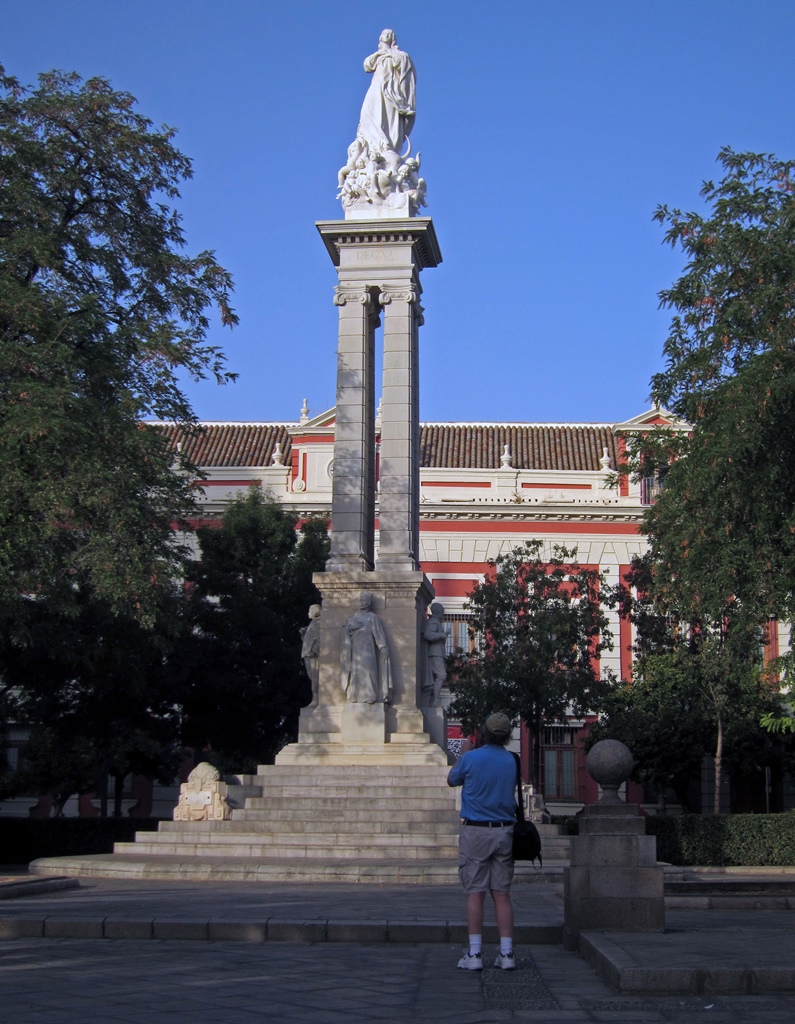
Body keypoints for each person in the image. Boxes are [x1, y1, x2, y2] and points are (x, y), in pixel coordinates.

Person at [447, 712, 518, 971]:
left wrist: (464, 753)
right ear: (507, 735)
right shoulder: (512, 760)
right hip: (504, 832)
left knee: (475, 893)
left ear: (483, 733)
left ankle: (475, 954)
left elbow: (452, 779)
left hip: (476, 831)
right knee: (502, 894)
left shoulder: (472, 758)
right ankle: (507, 953)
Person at [358, 29, 416, 162]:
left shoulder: (399, 54)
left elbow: (404, 63)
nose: (387, 35)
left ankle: (386, 144)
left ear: (393, 38)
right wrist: (381, 53)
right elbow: (367, 65)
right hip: (376, 86)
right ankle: (374, 145)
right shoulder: (378, 55)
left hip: (390, 90)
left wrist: (391, 55)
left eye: (390, 34)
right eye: (384, 33)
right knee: (366, 112)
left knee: (388, 117)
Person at [340, 591, 392, 703]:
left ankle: (370, 696)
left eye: (363, 601)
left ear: (368, 603)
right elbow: (345, 630)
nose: (361, 603)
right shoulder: (354, 617)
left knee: (369, 671)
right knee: (356, 672)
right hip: (356, 650)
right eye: (360, 600)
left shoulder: (372, 617)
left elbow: (379, 634)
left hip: (368, 649)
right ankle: (354, 696)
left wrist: (382, 647)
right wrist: (350, 628)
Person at [421, 601, 449, 707]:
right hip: (435, 653)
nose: (443, 613)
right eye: (442, 611)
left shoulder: (436, 622)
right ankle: (435, 701)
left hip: (437, 653)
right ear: (438, 611)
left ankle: (432, 700)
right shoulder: (433, 621)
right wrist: (441, 635)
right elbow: (428, 635)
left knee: (435, 679)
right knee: (442, 675)